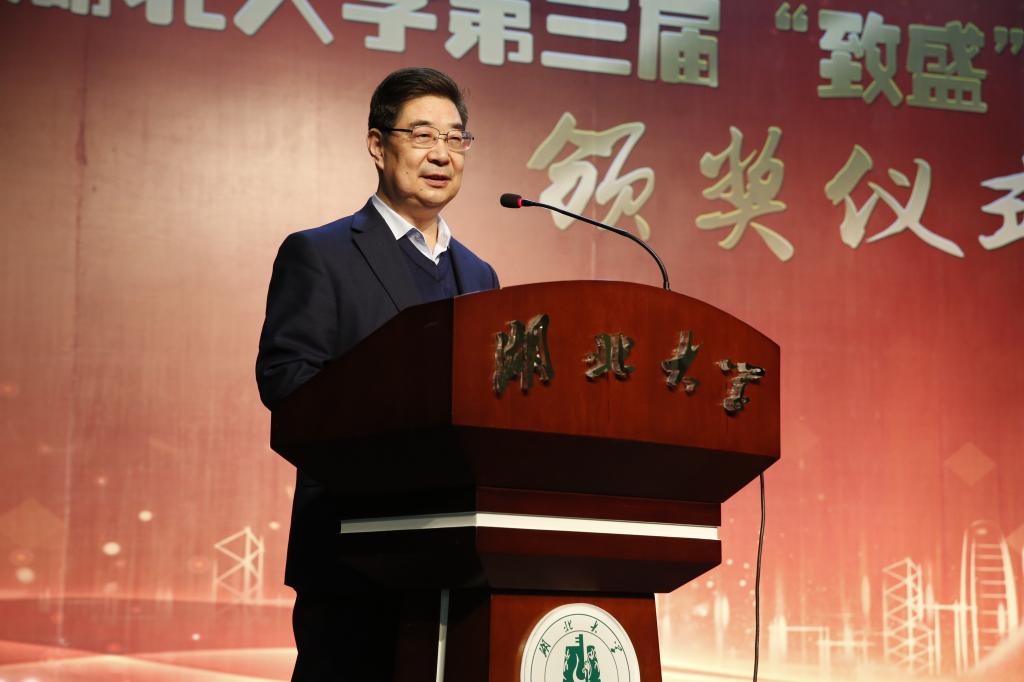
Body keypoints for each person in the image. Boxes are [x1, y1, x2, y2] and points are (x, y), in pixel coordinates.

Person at [255, 67, 499, 680]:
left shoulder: (481, 277)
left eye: (455, 138)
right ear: (376, 144)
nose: (441, 154)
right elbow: (288, 382)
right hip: (353, 552)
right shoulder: (321, 254)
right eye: (422, 135)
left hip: (457, 560)